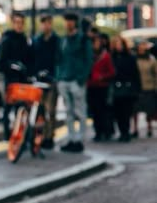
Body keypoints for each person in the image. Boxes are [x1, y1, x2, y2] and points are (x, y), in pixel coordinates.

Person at [56, 12, 93, 153]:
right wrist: (59, 76)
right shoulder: (63, 40)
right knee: (68, 112)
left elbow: (89, 60)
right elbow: (59, 59)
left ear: (75, 23)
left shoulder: (83, 39)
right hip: (64, 80)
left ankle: (79, 140)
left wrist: (81, 78)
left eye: (70, 21)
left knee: (80, 112)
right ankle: (71, 138)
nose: (68, 24)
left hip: (76, 81)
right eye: (66, 21)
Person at [0, 12, 33, 139]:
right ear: (12, 23)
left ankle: (21, 136)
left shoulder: (24, 39)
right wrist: (12, 65)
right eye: (17, 22)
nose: (19, 25)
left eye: (21, 23)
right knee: (8, 108)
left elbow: (28, 60)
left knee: (22, 109)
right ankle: (7, 135)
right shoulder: (7, 40)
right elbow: (0, 62)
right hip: (10, 80)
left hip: (23, 80)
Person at [33, 14, 60, 149]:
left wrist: (56, 75)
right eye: (44, 23)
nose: (46, 26)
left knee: (50, 111)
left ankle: (49, 137)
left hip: (52, 80)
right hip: (39, 80)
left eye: (48, 23)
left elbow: (59, 59)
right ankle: (41, 137)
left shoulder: (56, 40)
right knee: (40, 111)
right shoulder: (36, 41)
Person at [110, 36, 141, 142]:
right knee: (118, 113)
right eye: (116, 44)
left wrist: (137, 89)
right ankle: (122, 132)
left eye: (120, 44)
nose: (118, 46)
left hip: (128, 89)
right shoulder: (112, 57)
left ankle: (126, 132)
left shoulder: (130, 57)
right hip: (116, 89)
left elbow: (136, 74)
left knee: (126, 112)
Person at [86, 33, 115, 141]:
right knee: (94, 111)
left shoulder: (106, 56)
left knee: (103, 110)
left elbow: (112, 72)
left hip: (102, 87)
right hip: (91, 86)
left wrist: (102, 77)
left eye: (98, 42)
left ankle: (106, 131)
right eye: (94, 43)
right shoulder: (89, 56)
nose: (96, 45)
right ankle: (98, 132)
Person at [132, 42, 157, 138]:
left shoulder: (151, 60)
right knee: (135, 110)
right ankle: (135, 128)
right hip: (137, 87)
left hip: (149, 87)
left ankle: (149, 127)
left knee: (149, 109)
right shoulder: (134, 59)